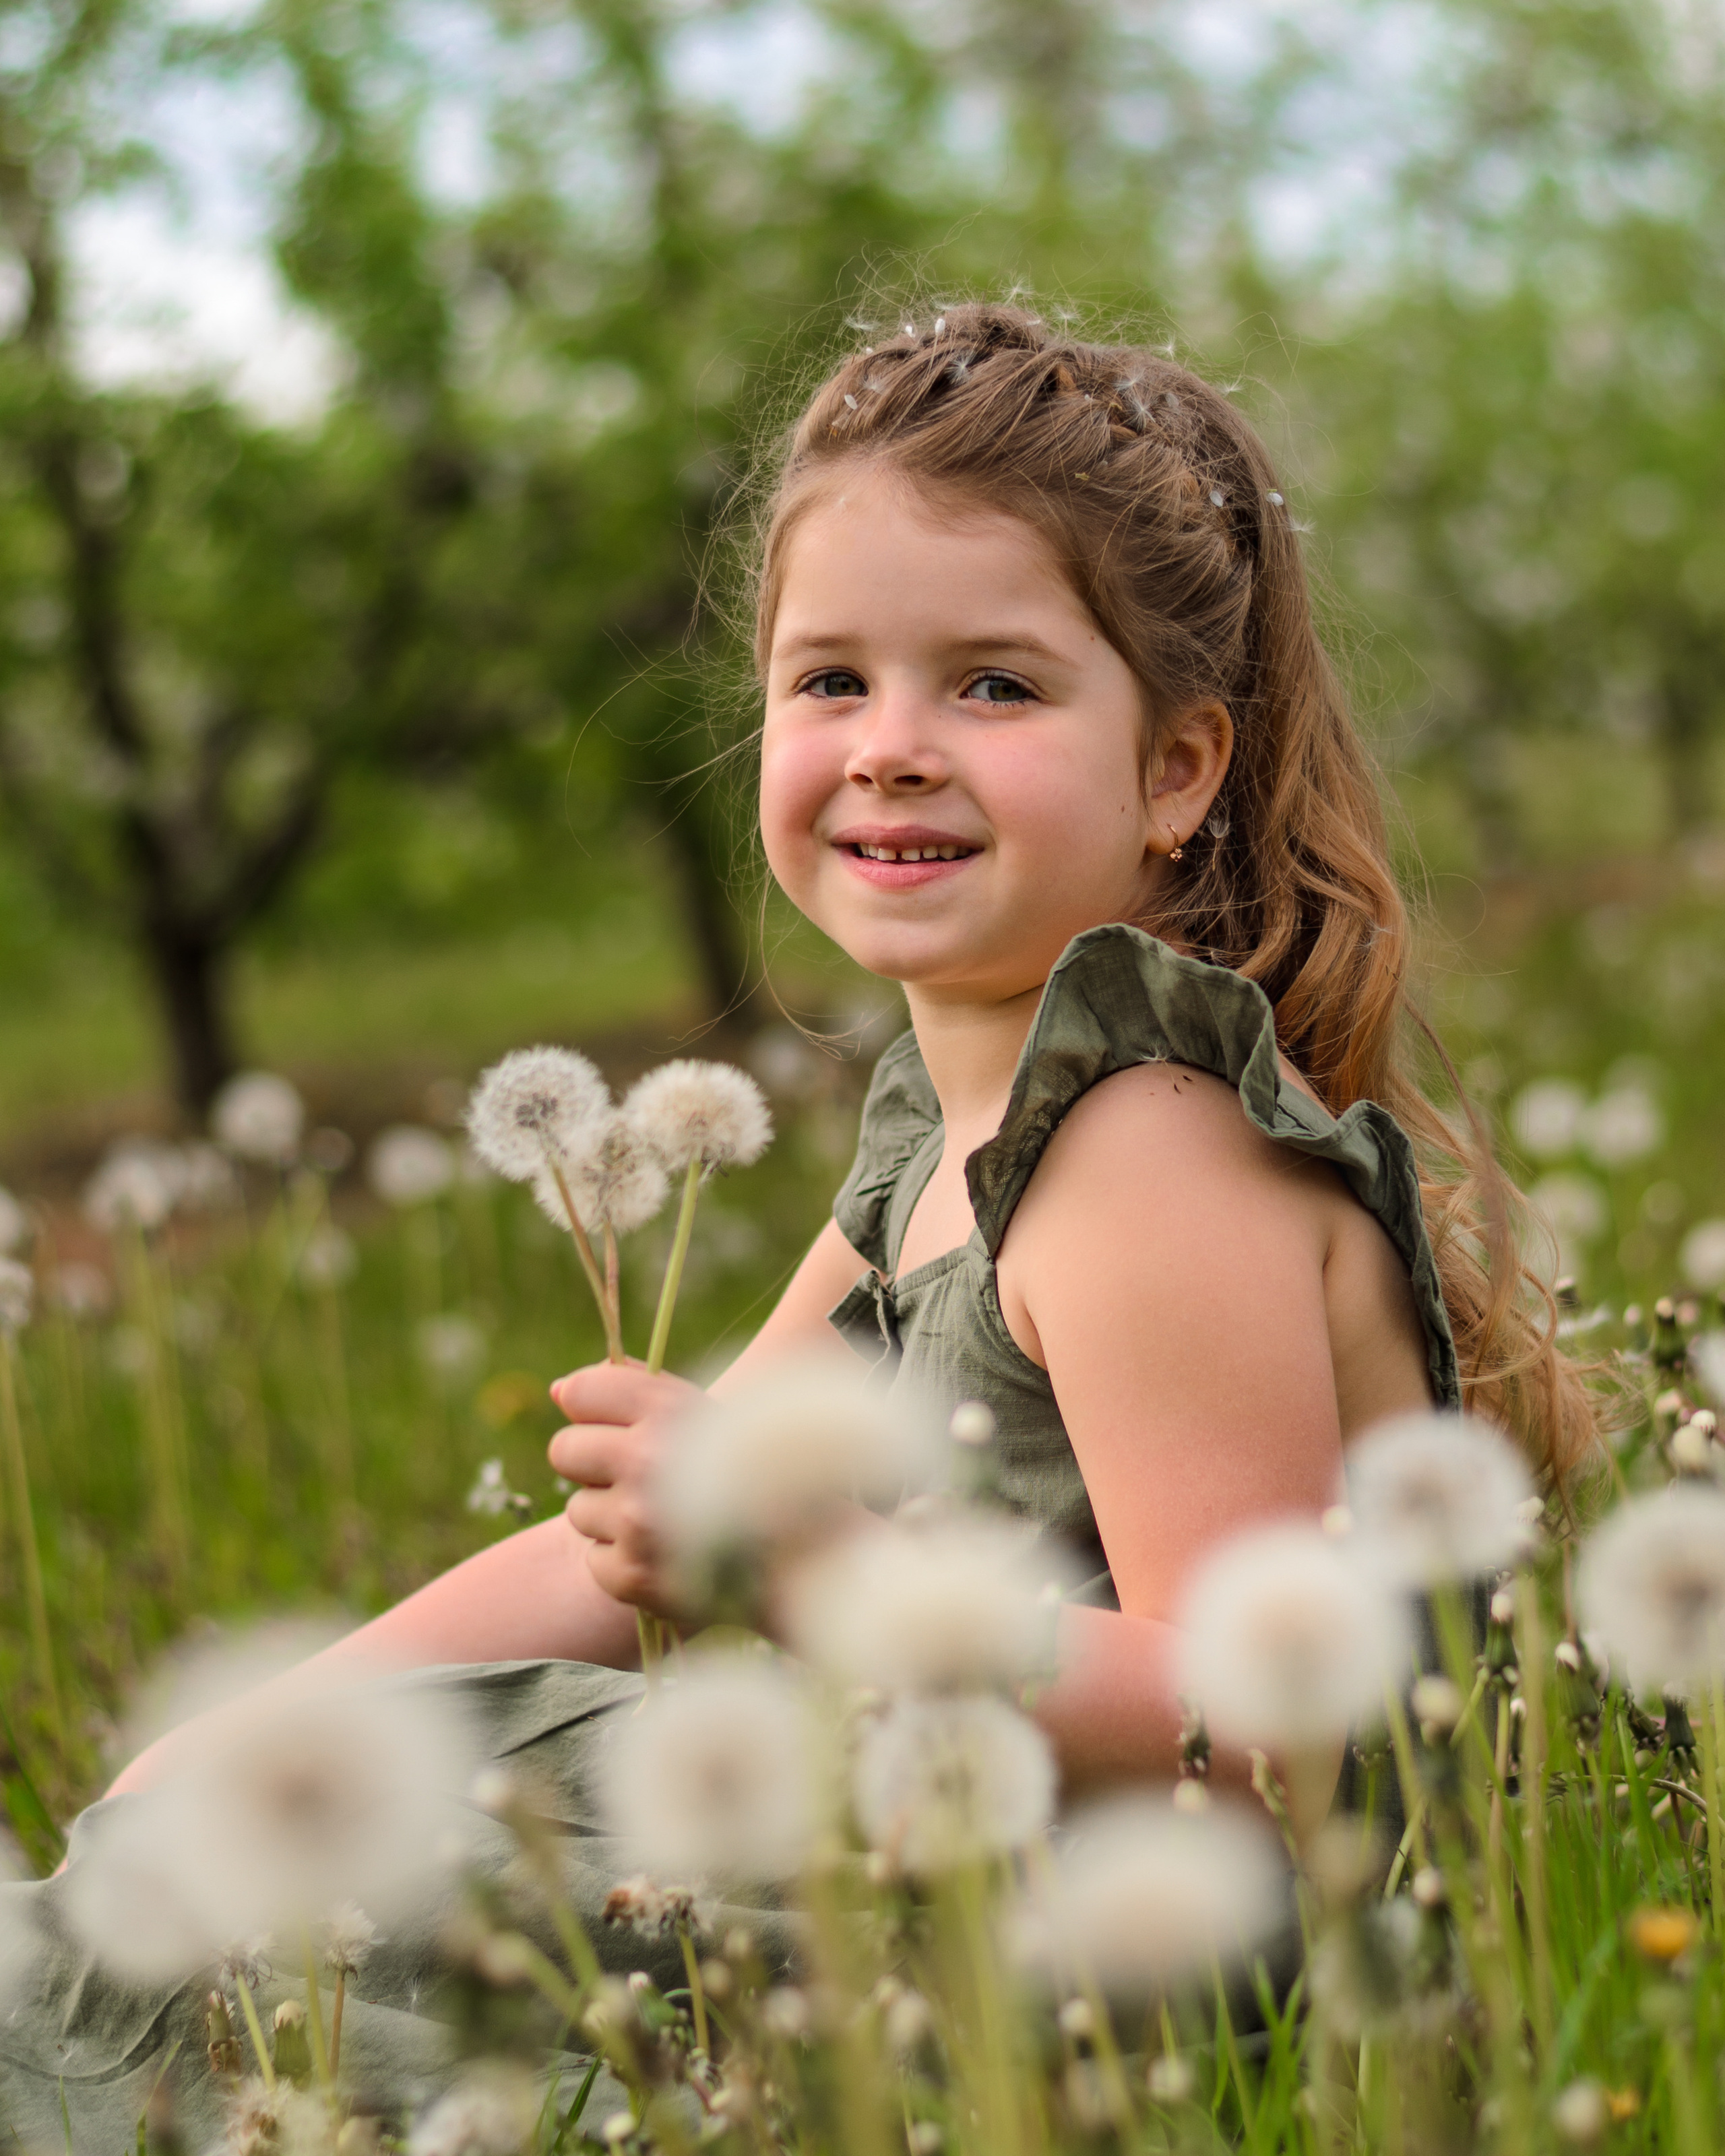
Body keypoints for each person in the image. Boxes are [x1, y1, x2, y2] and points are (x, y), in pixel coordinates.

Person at [1, 303, 1597, 2143]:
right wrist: (285, 1724)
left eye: (994, 685)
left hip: (1135, 1989)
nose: (894, 746)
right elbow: (621, 1550)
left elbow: (1259, 1730)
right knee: (287, 1854)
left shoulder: (1151, 1147)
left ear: (1178, 770)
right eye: (832, 681)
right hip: (955, 1876)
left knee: (313, 1970)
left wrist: (818, 1575)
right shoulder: (949, 1132)